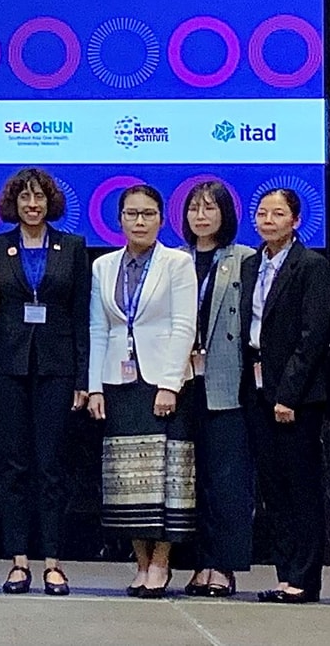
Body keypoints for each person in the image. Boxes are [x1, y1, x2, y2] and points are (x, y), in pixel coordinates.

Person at [87, 184, 197, 598]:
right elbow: (99, 327)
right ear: (119, 220)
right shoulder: (103, 266)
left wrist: (170, 384)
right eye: (132, 214)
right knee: (128, 478)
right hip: (119, 381)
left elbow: (184, 324)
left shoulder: (177, 262)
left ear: (161, 219)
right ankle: (140, 562)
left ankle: (162, 562)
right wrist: (94, 387)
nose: (139, 221)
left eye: (148, 214)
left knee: (165, 476)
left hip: (163, 380)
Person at [0, 167, 89, 596]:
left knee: (51, 466)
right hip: (6, 367)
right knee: (12, 465)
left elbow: (82, 316)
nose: (32, 205)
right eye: (25, 198)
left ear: (50, 203)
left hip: (57, 368)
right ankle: (18, 561)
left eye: (39, 198)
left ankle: (53, 562)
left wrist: (82, 378)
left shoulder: (73, 246)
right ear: (14, 203)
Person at [241, 187, 330, 604]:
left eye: (278, 214)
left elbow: (312, 337)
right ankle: (284, 574)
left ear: (295, 221)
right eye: (262, 213)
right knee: (273, 487)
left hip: (295, 394)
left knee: (301, 486)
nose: (268, 220)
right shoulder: (251, 264)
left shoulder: (310, 265)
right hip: (257, 387)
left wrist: (288, 394)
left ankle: (305, 578)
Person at [178, 179, 255, 599]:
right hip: (181, 382)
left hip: (227, 381)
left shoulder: (244, 258)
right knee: (190, 479)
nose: (201, 215)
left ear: (226, 214)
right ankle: (199, 563)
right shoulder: (175, 259)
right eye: (194, 208)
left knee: (226, 479)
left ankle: (223, 565)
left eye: (210, 208)